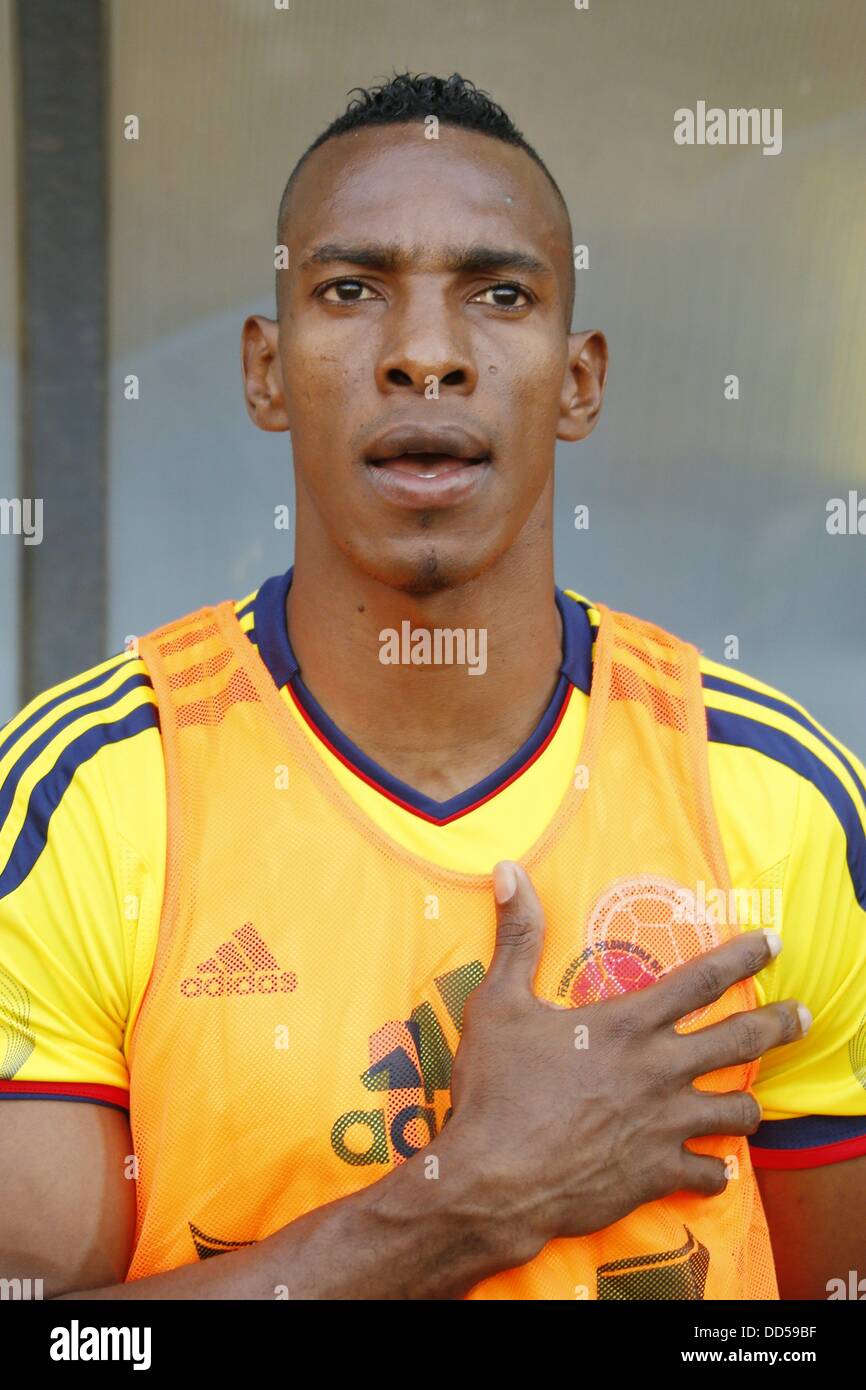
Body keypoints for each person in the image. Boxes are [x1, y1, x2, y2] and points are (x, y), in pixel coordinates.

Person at [1, 73, 864, 1301]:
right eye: (349, 290)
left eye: (498, 294)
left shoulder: (778, 802)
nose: (422, 355)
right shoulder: (84, 802)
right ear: (265, 369)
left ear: (578, 380)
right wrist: (461, 1205)